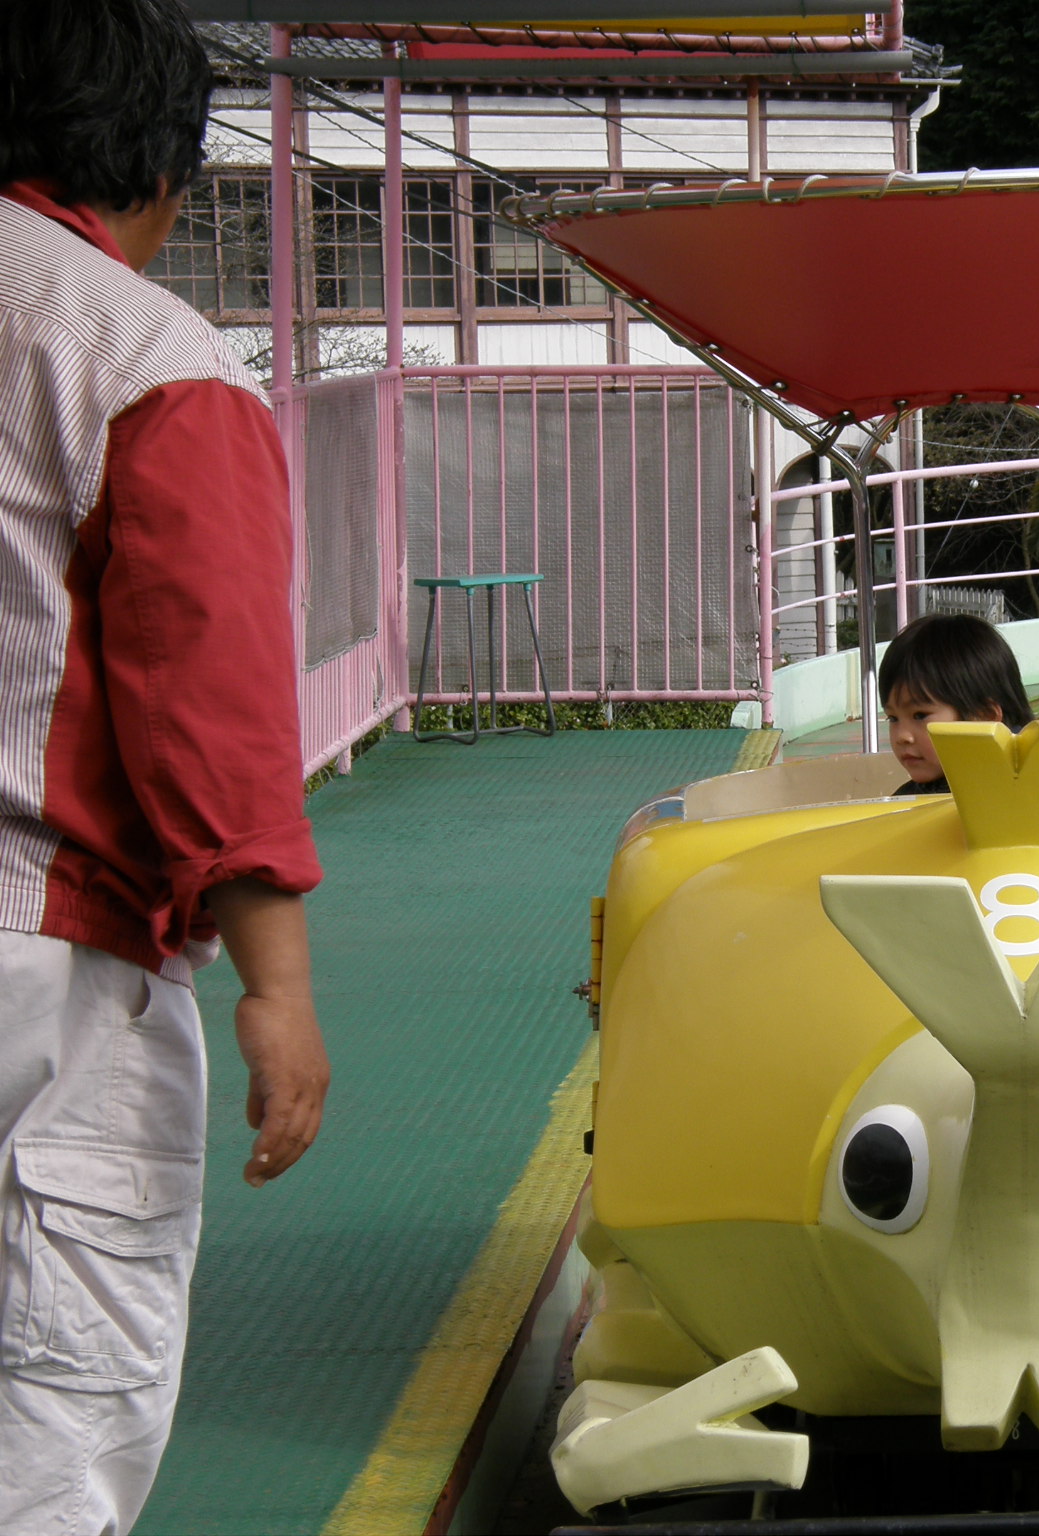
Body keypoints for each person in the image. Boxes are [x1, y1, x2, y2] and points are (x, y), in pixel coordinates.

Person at [0, 3, 330, 1531]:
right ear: (160, 171)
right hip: (49, 959)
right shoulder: (141, 356)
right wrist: (277, 979)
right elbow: (209, 696)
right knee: (61, 1390)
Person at [879, 613, 1034, 795]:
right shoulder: (907, 800)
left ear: (984, 718)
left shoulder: (1014, 796)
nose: (902, 737)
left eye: (920, 715)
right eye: (893, 718)